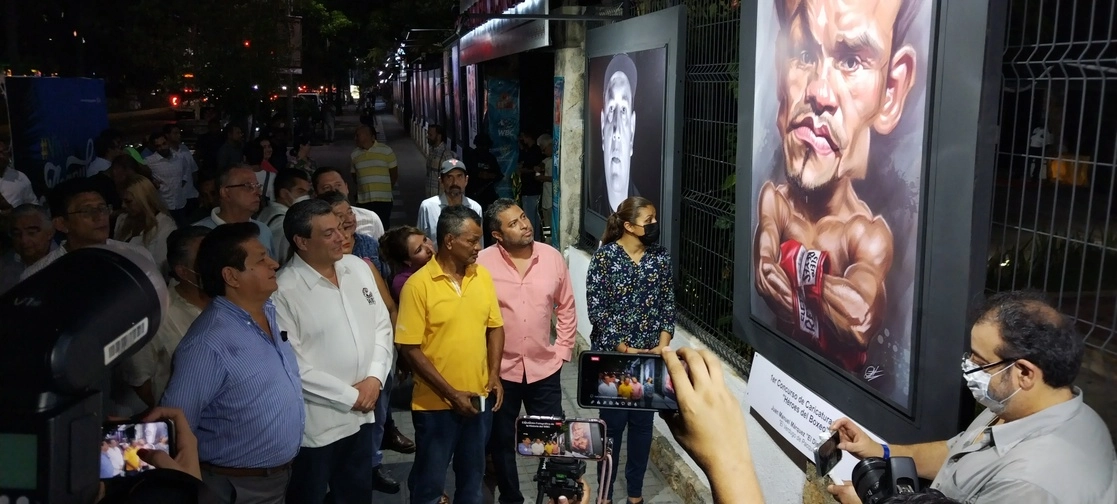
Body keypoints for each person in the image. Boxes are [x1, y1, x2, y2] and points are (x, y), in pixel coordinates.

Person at [752, 0, 921, 373]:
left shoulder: (867, 235)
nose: (819, 92)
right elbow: (765, 264)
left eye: (851, 62)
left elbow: (859, 317)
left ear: (890, 92)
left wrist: (794, 269)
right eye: (803, 53)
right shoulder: (776, 199)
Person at [827, 290, 1117, 504]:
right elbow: (956, 453)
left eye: (980, 361)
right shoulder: (1017, 405)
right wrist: (880, 451)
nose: (968, 367)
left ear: (1025, 373)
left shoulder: (1030, 486)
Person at [160, 223, 304, 504]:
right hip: (236, 486)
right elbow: (176, 424)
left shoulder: (269, 312)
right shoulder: (207, 344)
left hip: (278, 478)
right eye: (261, 260)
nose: (274, 264)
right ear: (231, 276)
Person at [274, 200, 398, 501]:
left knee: (356, 494)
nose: (342, 237)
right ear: (302, 242)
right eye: (328, 233)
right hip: (318, 427)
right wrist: (352, 396)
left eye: (340, 229)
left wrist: (374, 378)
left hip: (363, 416)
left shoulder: (357, 267)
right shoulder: (283, 290)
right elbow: (294, 366)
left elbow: (382, 325)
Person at [395, 205, 506, 504]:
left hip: (478, 400)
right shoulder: (418, 287)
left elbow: (495, 327)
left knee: (472, 481)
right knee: (429, 484)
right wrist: (451, 392)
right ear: (449, 241)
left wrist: (493, 375)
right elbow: (409, 348)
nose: (478, 248)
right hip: (435, 406)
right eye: (472, 241)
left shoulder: (481, 276)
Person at [476, 198, 576, 504]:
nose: (525, 225)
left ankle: (554, 493)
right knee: (501, 440)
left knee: (550, 438)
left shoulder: (551, 257)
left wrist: (562, 351)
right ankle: (511, 496)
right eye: (514, 223)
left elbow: (567, 307)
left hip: (544, 368)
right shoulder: (481, 262)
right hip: (500, 372)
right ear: (497, 234)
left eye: (523, 217)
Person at [586, 196, 674, 504]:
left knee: (641, 427)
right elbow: (597, 310)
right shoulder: (605, 258)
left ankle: (635, 495)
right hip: (615, 357)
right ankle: (605, 494)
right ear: (628, 226)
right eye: (647, 221)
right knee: (612, 426)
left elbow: (667, 305)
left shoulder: (660, 257)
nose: (653, 226)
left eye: (654, 220)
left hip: (649, 359)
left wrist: (661, 347)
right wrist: (624, 347)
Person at [129, 226, 211, 407]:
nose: (215, 265)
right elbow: (140, 379)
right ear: (183, 271)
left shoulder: (233, 299)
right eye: (206, 260)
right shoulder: (156, 316)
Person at [592, 54, 641, 215]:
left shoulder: (644, 212)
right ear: (602, 127)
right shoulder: (593, 199)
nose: (616, 132)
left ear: (632, 132)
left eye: (624, 110)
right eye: (612, 109)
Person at [193, 165, 276, 258]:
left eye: (258, 186)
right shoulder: (197, 236)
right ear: (225, 192)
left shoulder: (263, 230)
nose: (258, 193)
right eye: (248, 186)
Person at [114, 175, 178, 279]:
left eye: (128, 201)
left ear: (144, 199)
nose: (123, 206)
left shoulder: (165, 226)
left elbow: (161, 269)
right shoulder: (122, 219)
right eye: (122, 201)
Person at [417, 159, 483, 244]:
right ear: (441, 181)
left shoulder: (475, 208)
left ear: (466, 180)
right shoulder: (428, 207)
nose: (455, 182)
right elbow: (420, 241)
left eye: (459, 176)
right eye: (449, 177)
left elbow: (479, 242)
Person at [313, 166, 385, 240]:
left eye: (338, 185)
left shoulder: (371, 218)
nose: (334, 190)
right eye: (327, 188)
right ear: (315, 194)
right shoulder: (313, 225)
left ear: (347, 188)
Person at [257, 169, 312, 265]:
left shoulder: (267, 212)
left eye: (307, 192)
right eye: (300, 192)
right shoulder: (285, 224)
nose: (305, 196)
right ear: (284, 193)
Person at [0, 204, 57, 294]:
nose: (24, 240)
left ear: (50, 232)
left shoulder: (64, 261)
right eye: (17, 234)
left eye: (31, 233)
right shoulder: (5, 264)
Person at [351, 124, 398, 227]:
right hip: (364, 200)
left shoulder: (386, 151)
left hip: (383, 199)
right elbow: (355, 176)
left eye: (358, 135)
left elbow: (394, 174)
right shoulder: (354, 154)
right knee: (366, 228)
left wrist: (385, 188)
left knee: (382, 227)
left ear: (368, 136)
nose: (355, 138)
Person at [379, 225, 435, 302]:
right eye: (419, 250)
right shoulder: (402, 283)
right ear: (407, 261)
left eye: (425, 240)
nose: (428, 248)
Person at [425, 124, 456, 198]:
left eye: (430, 135)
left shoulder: (446, 155)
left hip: (441, 202)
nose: (427, 137)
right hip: (431, 199)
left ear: (439, 136)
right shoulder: (432, 151)